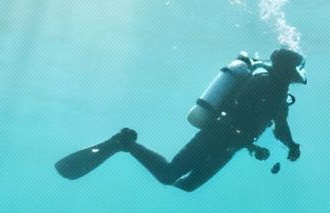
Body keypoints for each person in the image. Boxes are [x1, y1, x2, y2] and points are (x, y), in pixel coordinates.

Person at [56, 48, 306, 192]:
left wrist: (291, 144)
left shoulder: (280, 94)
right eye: (297, 69)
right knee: (168, 176)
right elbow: (231, 113)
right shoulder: (260, 82)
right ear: (286, 68)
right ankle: (124, 143)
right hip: (214, 136)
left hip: (231, 147)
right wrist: (251, 145)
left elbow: (280, 127)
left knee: (187, 186)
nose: (299, 75)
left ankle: (127, 147)